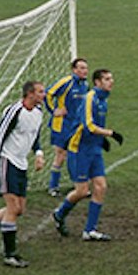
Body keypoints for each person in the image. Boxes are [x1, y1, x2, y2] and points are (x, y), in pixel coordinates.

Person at [0, 80, 45, 267]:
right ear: (30, 94)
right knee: (13, 208)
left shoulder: (38, 113)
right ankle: (10, 255)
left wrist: (38, 154)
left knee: (19, 209)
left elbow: (34, 136)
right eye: (40, 92)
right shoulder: (14, 111)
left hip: (22, 164)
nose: (43, 95)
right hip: (7, 161)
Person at [51, 68, 122, 241]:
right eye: (106, 79)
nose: (111, 81)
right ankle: (59, 214)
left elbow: (94, 126)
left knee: (101, 187)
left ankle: (90, 230)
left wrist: (101, 141)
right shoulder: (90, 98)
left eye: (111, 78)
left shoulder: (103, 100)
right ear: (97, 82)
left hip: (94, 149)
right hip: (79, 149)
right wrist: (110, 134)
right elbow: (89, 125)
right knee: (82, 191)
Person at [43, 57, 90, 196]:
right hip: (61, 126)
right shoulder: (66, 82)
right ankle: (53, 186)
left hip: (77, 126)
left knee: (77, 154)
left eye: (86, 68)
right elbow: (48, 93)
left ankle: (78, 186)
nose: (84, 70)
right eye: (81, 68)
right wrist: (54, 111)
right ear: (74, 70)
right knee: (61, 155)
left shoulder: (85, 85)